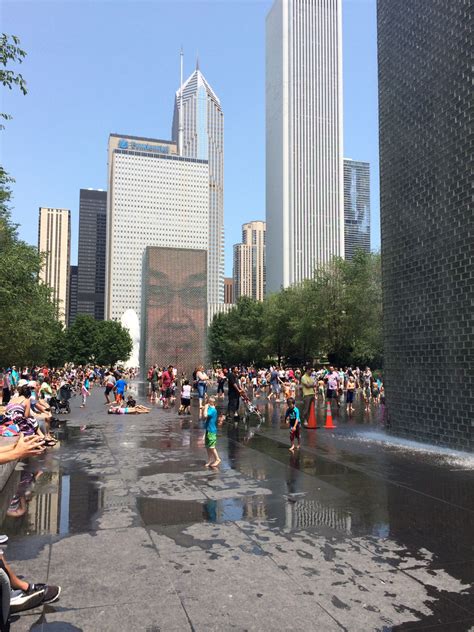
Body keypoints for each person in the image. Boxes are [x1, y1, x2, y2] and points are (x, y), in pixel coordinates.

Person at [203, 397, 221, 468]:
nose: (208, 404)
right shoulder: (210, 409)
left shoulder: (213, 410)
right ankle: (210, 460)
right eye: (208, 402)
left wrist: (206, 408)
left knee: (212, 446)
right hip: (208, 430)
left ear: (213, 403)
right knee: (208, 446)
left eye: (210, 402)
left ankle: (217, 459)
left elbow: (205, 415)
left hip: (211, 431)